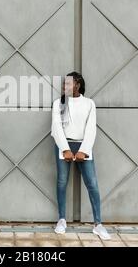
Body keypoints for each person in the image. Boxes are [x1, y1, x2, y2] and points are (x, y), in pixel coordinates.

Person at [50, 71, 111, 240]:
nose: (65, 86)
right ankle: (62, 219)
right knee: (62, 181)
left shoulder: (89, 104)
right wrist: (65, 148)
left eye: (68, 84)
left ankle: (98, 224)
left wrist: (84, 150)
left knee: (92, 183)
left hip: (84, 146)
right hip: (64, 145)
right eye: (64, 84)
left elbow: (91, 128)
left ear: (78, 85)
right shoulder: (59, 103)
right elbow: (56, 127)